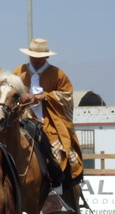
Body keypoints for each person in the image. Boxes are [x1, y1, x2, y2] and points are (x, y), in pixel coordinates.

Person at [13, 38, 83, 188]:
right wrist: (22, 95)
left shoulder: (58, 74)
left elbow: (67, 96)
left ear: (47, 57)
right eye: (33, 57)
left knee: (61, 153)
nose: (36, 61)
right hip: (23, 118)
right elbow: (11, 91)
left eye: (39, 58)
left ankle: (60, 187)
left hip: (48, 122)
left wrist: (45, 96)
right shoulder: (19, 71)